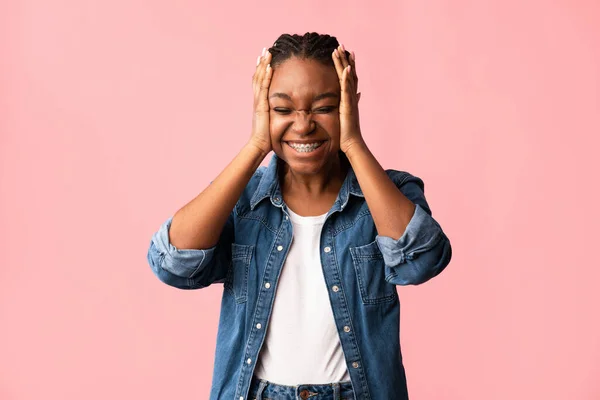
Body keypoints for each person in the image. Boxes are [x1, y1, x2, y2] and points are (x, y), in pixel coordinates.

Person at [147, 32, 452, 400]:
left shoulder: (389, 193)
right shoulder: (242, 199)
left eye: (324, 107)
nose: (303, 124)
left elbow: (422, 260)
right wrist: (257, 145)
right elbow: (172, 262)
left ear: (349, 106)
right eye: (283, 109)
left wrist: (352, 142)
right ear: (262, 108)